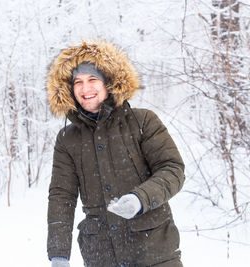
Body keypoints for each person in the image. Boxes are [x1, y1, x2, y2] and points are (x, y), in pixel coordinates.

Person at [46, 39, 185, 267]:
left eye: (93, 79)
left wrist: (140, 199)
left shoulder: (143, 121)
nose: (85, 88)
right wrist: (59, 253)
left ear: (109, 83)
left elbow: (173, 170)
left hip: (154, 252)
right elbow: (62, 196)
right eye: (78, 82)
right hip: (101, 253)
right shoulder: (67, 139)